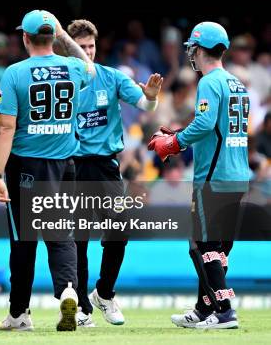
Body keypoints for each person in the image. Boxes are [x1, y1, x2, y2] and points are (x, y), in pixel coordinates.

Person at [0, 10, 95, 332]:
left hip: (27, 166)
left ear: (25, 38)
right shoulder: (73, 67)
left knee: (24, 242)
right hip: (65, 164)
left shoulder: (15, 73)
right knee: (62, 235)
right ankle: (67, 290)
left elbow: (6, 127)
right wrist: (65, 37)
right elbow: (90, 67)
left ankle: (19, 313)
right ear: (53, 38)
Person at [148, 22, 248, 329]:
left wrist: (173, 143)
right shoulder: (235, 82)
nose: (191, 53)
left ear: (199, 50)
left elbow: (205, 125)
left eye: (192, 48)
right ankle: (204, 310)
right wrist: (178, 132)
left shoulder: (208, 81)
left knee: (203, 245)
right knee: (215, 248)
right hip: (237, 175)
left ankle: (224, 311)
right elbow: (214, 125)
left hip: (213, 177)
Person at [66, 19, 162, 327]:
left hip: (106, 166)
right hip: (74, 166)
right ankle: (81, 305)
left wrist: (151, 95)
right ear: (69, 50)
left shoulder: (111, 77)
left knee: (119, 230)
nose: (88, 52)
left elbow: (146, 105)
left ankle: (103, 293)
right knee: (78, 239)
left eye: (91, 46)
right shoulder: (63, 82)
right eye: (81, 48)